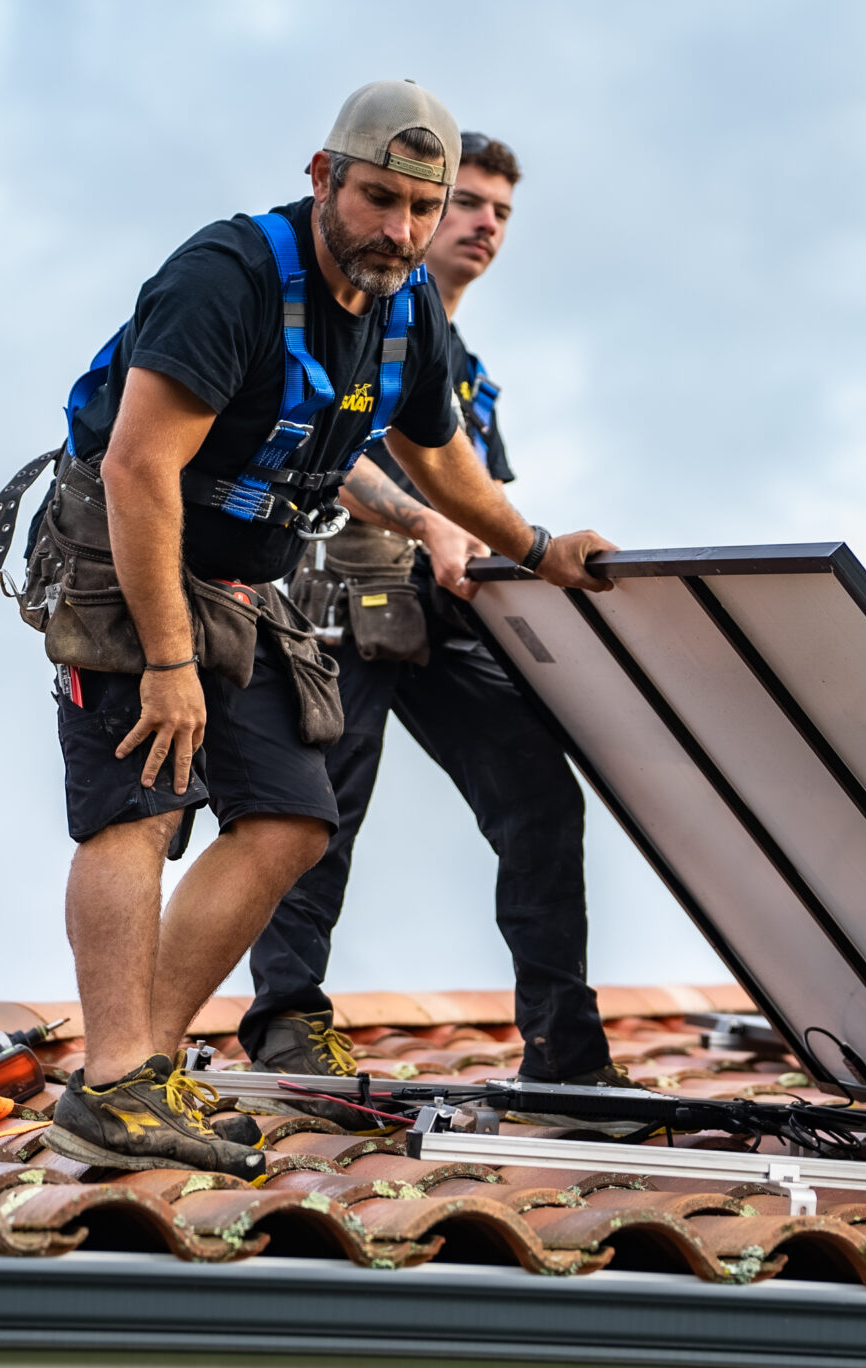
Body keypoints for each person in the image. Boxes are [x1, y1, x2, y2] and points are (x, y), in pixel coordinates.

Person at [30, 83, 616, 1175]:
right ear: (321, 178)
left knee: (292, 818)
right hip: (124, 557)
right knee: (140, 807)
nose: (398, 230)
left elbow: (443, 461)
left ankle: (143, 1075)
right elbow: (138, 465)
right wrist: (166, 662)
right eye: (377, 199)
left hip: (237, 581)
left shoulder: (406, 312)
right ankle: (113, 1078)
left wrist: (534, 549)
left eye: (418, 207)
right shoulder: (230, 276)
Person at [238, 133, 630, 1127]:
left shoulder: (465, 374)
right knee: (313, 812)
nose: (481, 224)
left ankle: (565, 1059)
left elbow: (476, 498)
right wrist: (420, 517)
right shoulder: (340, 324)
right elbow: (323, 456)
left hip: (445, 608)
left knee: (538, 796)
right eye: (465, 203)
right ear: (411, 209)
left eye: (500, 210)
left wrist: (527, 556)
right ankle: (288, 1025)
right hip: (333, 589)